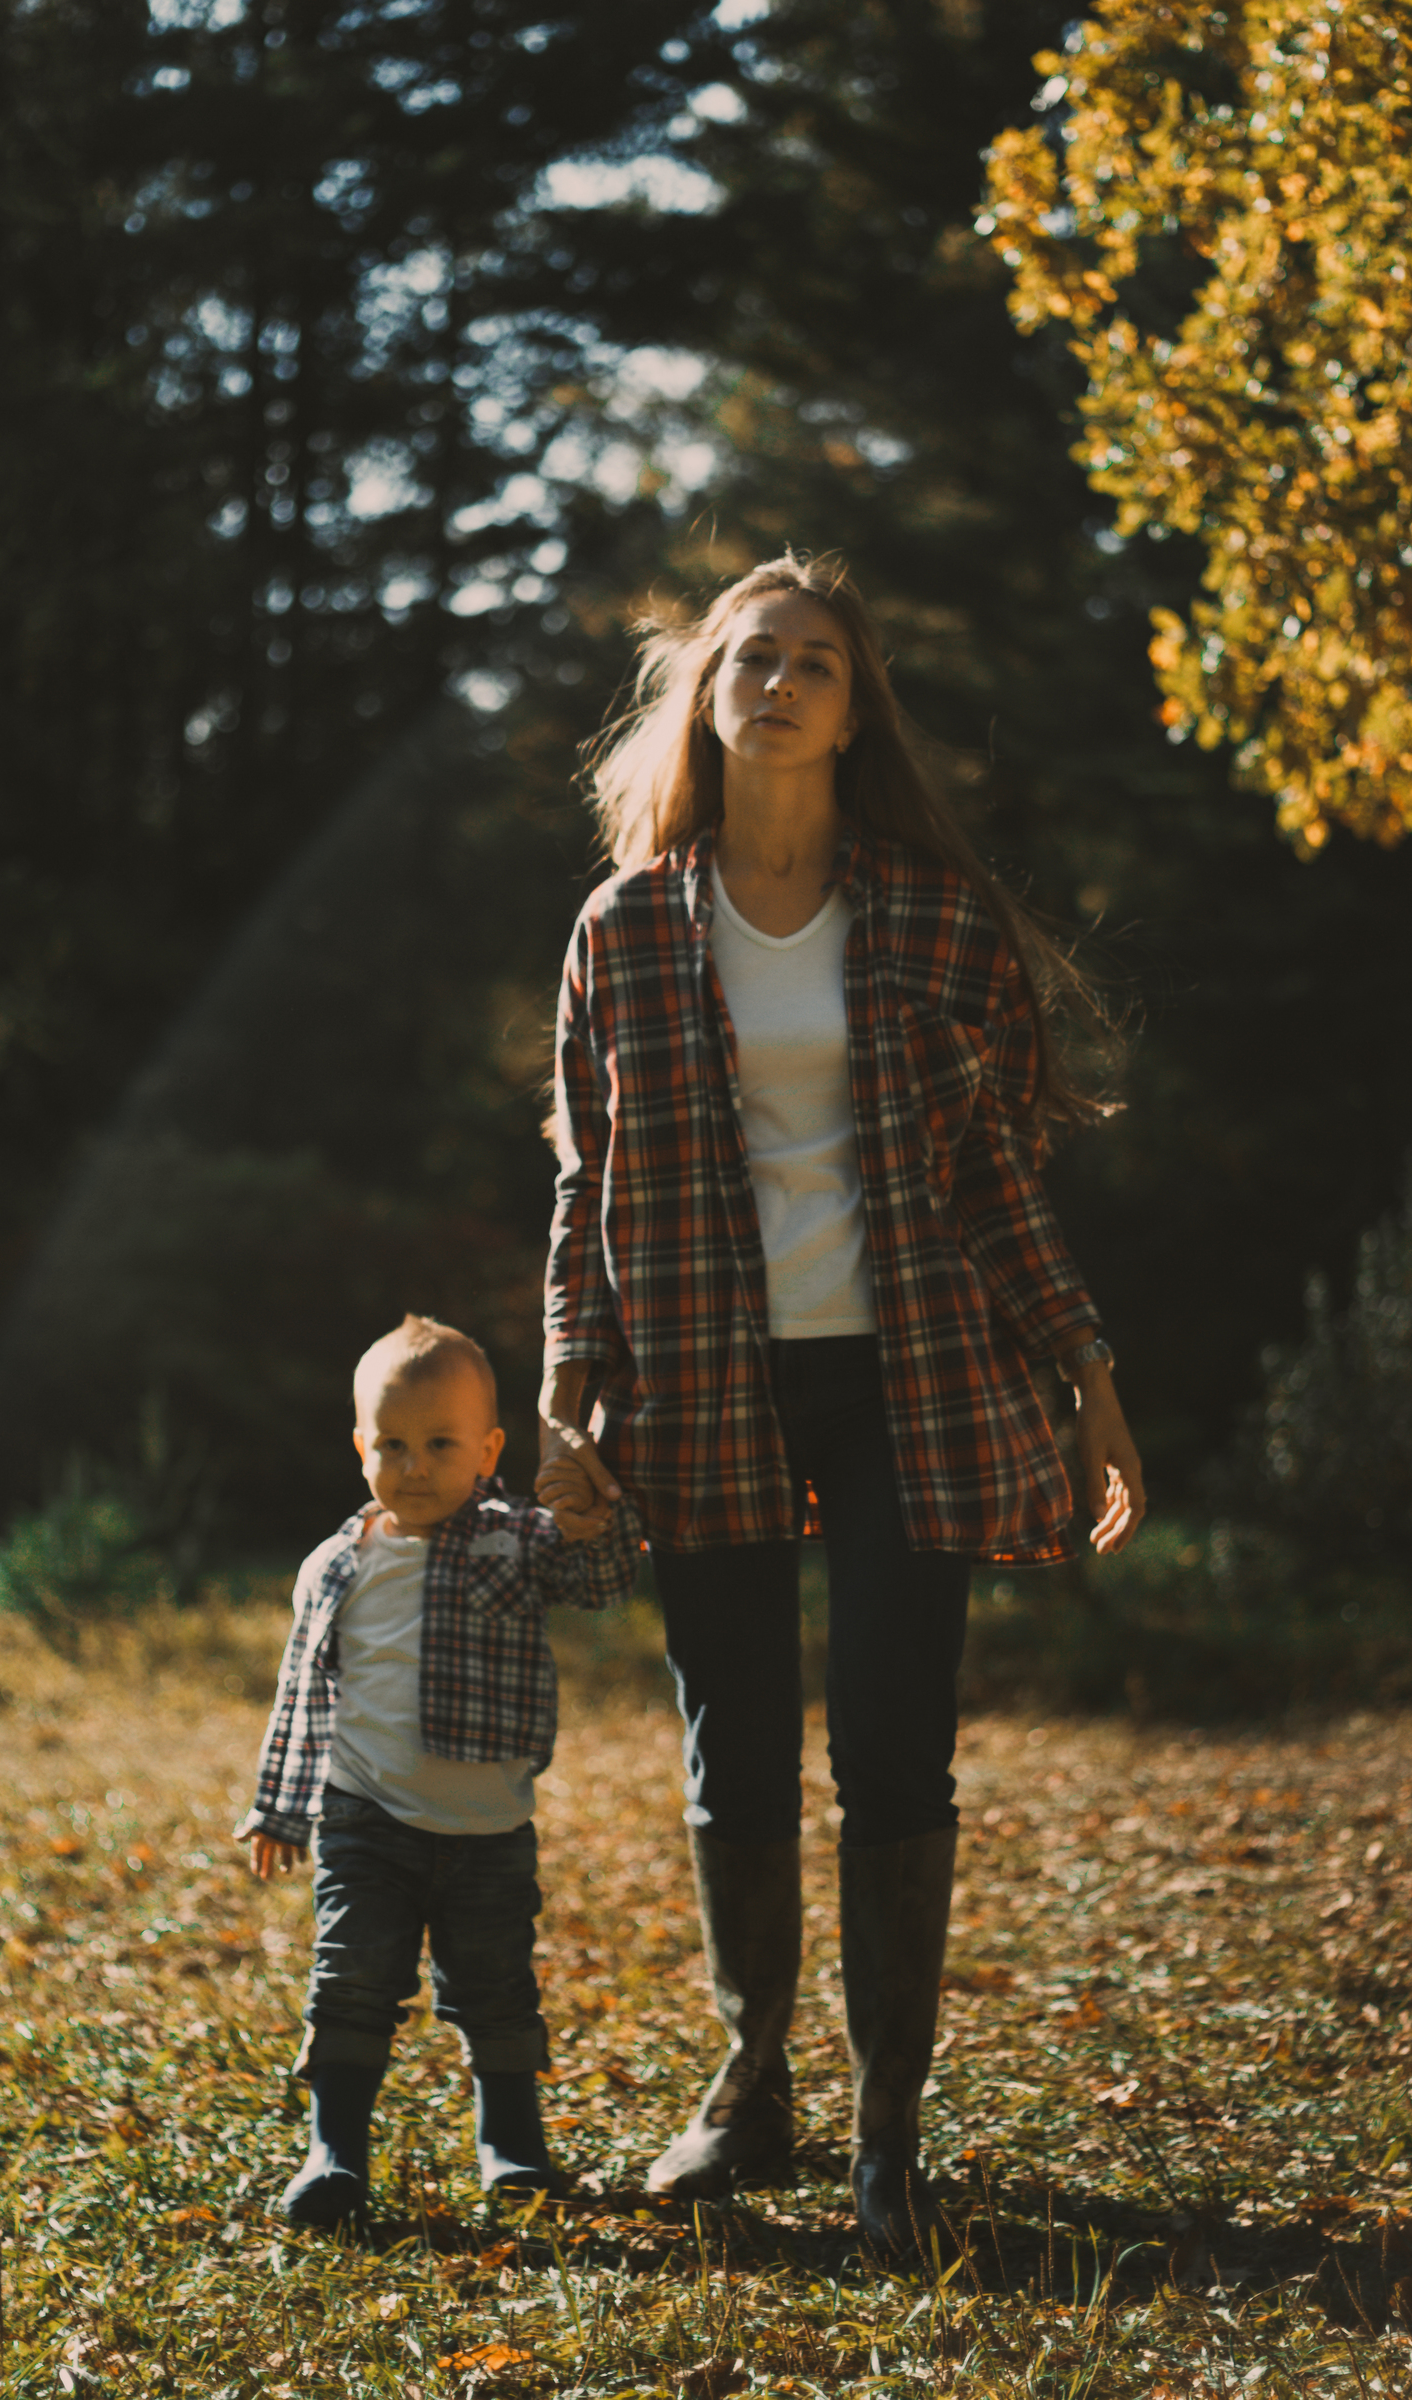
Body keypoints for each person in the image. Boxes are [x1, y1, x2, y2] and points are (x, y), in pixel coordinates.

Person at [537, 552, 1145, 2254]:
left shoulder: (936, 919)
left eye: (819, 661)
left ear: (855, 706)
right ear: (709, 696)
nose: (787, 682)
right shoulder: (628, 926)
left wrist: (1087, 1371)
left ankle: (889, 2128)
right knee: (732, 1746)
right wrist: (565, 1394)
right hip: (702, 1375)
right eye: (757, 658)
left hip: (916, 1378)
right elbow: (586, 1190)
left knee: (895, 1747)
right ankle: (752, 2091)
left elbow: (1004, 1185)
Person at [236, 1313, 639, 2230]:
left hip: (489, 1830)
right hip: (366, 1818)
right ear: (359, 1447)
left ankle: (513, 2146)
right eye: (393, 1444)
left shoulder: (518, 1539)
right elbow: (302, 1694)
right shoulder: (336, 1566)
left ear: (490, 1448)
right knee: (350, 1978)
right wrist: (279, 1810)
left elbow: (604, 1584)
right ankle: (334, 2154)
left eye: (441, 1444)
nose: (415, 1465)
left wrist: (595, 1518)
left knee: (496, 1986)